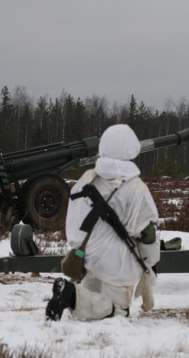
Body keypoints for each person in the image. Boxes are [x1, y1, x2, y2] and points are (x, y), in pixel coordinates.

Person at [46, 124, 160, 321]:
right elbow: (147, 232)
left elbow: (73, 218)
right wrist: (150, 265)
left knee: (93, 293)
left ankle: (76, 293)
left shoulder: (86, 179)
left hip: (86, 259)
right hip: (117, 266)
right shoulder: (135, 187)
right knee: (118, 309)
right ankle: (72, 296)